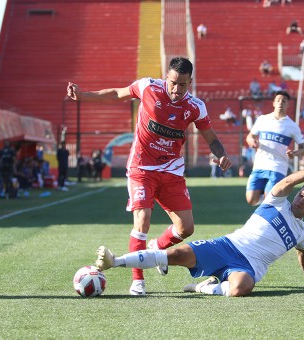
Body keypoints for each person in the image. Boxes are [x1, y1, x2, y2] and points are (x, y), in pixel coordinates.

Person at [67, 57, 232, 295]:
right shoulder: (148, 87)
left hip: (172, 171)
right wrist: (84, 95)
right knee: (142, 220)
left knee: (186, 229)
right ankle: (138, 282)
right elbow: (117, 94)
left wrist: (223, 155)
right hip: (142, 168)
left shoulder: (195, 106)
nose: (176, 90)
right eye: (173, 82)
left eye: (182, 85)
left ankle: (158, 247)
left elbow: (211, 138)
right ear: (167, 76)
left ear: (190, 82)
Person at [94, 160, 304, 297]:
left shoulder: (303, 233)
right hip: (228, 246)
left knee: (240, 288)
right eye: (302, 195)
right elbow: (291, 180)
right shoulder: (276, 200)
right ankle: (113, 262)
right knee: (175, 256)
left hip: (249, 267)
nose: (301, 199)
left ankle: (204, 287)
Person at [245, 91, 304, 206]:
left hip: (278, 167)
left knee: (269, 201)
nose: (281, 102)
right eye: (278, 100)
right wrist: (251, 141)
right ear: (274, 103)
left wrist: (294, 153)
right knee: (251, 200)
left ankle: (271, 206)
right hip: (259, 165)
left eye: (284, 101)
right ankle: (270, 200)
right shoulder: (262, 119)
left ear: (288, 104)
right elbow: (250, 136)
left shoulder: (292, 126)